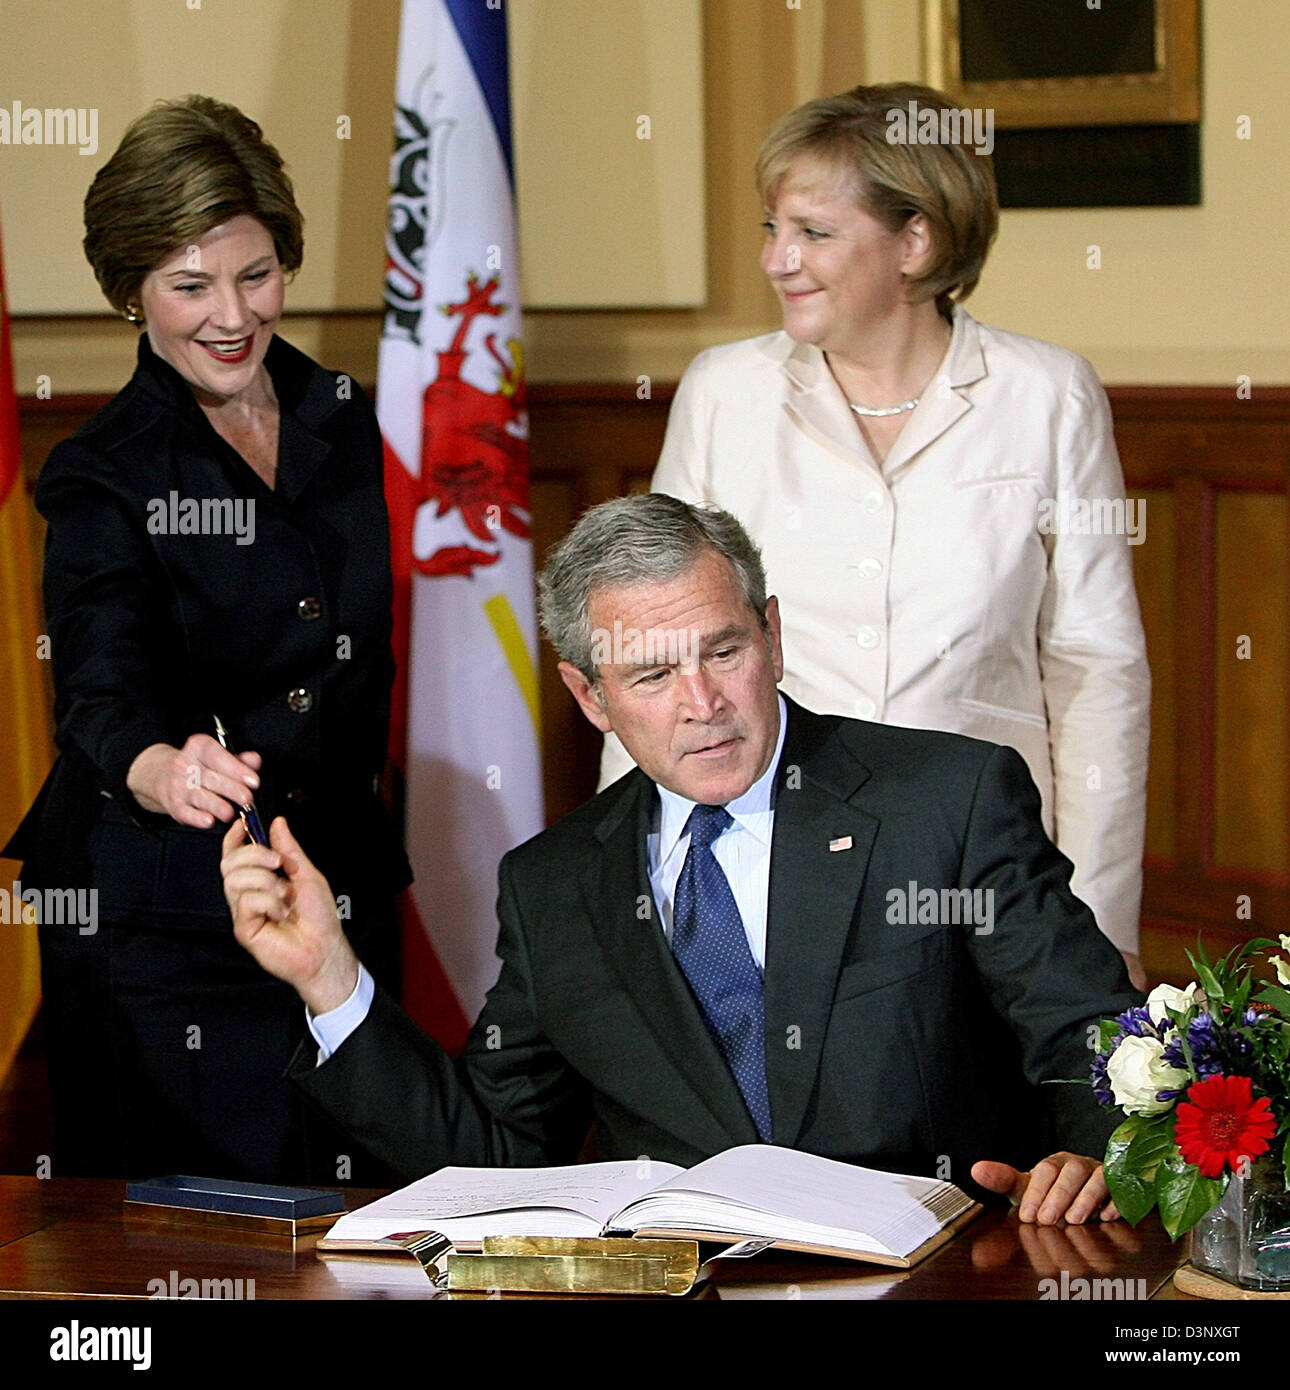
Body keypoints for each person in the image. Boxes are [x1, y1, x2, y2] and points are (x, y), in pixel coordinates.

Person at [222, 494, 1140, 1222]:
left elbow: (1088, 1032)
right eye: (653, 675)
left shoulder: (947, 799)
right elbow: (495, 1162)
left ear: (772, 636)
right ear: (591, 696)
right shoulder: (555, 886)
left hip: (945, 1282)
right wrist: (332, 982)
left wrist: (1095, 1155)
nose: (701, 702)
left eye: (723, 651)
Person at [599, 83, 1151, 989]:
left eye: (813, 232)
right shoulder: (725, 392)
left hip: (992, 880)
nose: (778, 260)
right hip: (767, 868)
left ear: (917, 240)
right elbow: (648, 648)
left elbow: (1098, 670)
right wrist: (634, 883)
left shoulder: (1045, 394)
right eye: (771, 228)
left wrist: (1098, 916)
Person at [5, 96, 407, 1182]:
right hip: (169, 911)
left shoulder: (351, 414)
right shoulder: (106, 468)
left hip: (343, 879)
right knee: (203, 1236)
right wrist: (158, 766)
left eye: (257, 274)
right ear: (130, 290)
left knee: (364, 1208)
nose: (231, 315)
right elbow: (96, 687)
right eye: (190, 286)